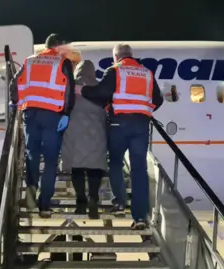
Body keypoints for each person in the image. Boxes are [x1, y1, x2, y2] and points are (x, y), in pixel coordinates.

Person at [76, 44, 163, 230]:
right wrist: (144, 111)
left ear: (116, 57)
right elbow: (158, 99)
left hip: (119, 124)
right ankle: (140, 217)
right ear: (131, 55)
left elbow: (101, 92)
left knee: (115, 162)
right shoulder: (146, 72)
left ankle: (121, 202)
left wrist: (81, 91)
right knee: (139, 169)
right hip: (141, 125)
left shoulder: (115, 70)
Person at [9, 33, 75, 218]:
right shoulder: (62, 62)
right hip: (53, 116)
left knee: (32, 156)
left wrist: (16, 103)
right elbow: (68, 90)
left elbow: (14, 85)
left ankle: (30, 198)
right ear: (57, 46)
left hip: (30, 114)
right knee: (51, 161)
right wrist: (67, 113)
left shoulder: (29, 61)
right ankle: (44, 204)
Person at [61, 60, 107, 219]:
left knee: (77, 168)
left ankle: (81, 201)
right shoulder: (100, 88)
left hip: (74, 132)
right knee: (95, 168)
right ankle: (93, 198)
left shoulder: (70, 87)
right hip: (96, 133)